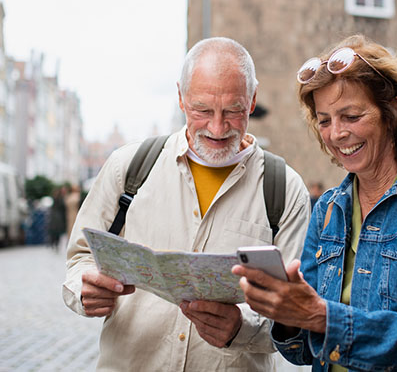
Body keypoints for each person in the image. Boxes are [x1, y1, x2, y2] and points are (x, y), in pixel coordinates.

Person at [233, 34, 397, 371]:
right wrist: (287, 313)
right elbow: (302, 353)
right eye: (324, 120)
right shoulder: (327, 209)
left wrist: (321, 316)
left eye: (351, 116)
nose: (337, 133)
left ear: (393, 110)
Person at [63, 37, 310, 371]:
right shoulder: (129, 167)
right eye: (202, 110)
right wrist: (84, 288)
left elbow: (295, 312)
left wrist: (242, 328)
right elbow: (79, 257)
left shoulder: (284, 189)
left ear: (252, 99)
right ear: (180, 97)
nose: (218, 127)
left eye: (233, 111)